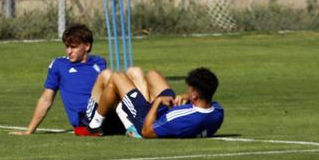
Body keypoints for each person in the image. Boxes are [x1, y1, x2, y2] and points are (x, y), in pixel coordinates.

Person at [10, 24, 122, 136]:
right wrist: (29, 130)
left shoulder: (99, 62)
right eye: (67, 47)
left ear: (87, 46)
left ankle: (134, 123)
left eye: (73, 47)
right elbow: (46, 99)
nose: (69, 51)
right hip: (85, 119)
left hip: (107, 115)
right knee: (109, 75)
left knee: (133, 73)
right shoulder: (59, 65)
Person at [86, 66, 224, 139]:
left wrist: (158, 102)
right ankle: (141, 96)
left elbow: (147, 131)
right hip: (167, 110)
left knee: (116, 77)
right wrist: (187, 96)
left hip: (145, 118)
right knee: (153, 75)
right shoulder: (218, 110)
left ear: (195, 94)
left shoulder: (177, 118)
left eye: (190, 89)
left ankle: (94, 125)